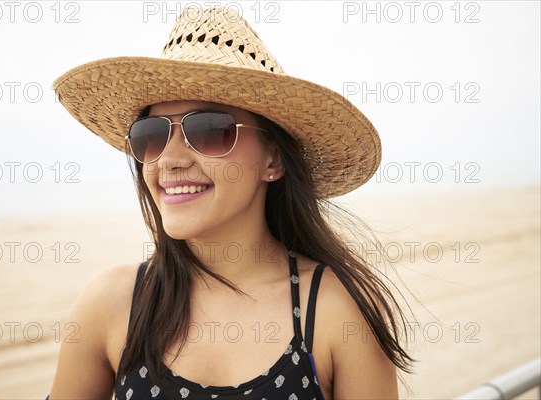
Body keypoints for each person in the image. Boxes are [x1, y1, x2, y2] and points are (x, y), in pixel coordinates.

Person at [49, 6, 415, 399]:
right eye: (150, 135)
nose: (169, 159)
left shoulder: (335, 308)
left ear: (272, 160)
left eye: (209, 130)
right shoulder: (111, 304)